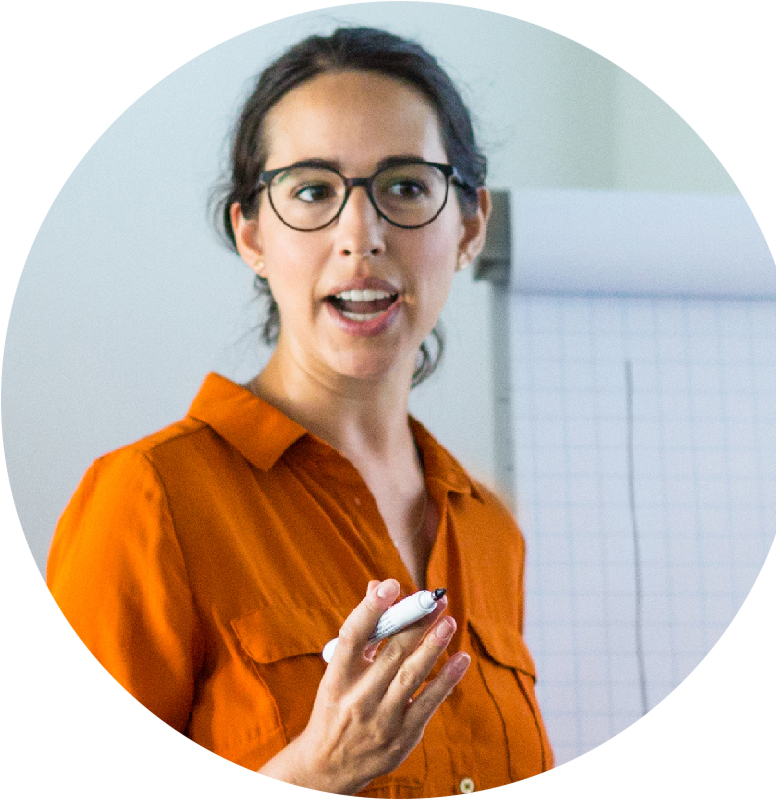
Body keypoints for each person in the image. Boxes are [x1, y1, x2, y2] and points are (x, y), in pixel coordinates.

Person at [47, 27, 554, 797]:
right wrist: (314, 773)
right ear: (251, 232)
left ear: (470, 226)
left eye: (407, 186)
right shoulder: (146, 500)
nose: (362, 237)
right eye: (313, 191)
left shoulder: (490, 530)